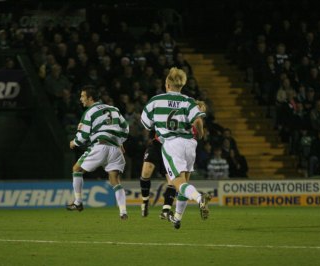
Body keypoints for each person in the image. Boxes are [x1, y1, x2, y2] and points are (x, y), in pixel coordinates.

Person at [140, 67, 211, 229]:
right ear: (181, 85)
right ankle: (177, 218)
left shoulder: (156, 101)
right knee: (185, 183)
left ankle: (200, 198)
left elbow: (146, 123)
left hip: (172, 144)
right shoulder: (188, 101)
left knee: (178, 183)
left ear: (167, 84)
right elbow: (198, 121)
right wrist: (200, 134)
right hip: (190, 144)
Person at [66, 86, 129, 220]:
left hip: (100, 146)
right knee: (115, 180)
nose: (81, 99)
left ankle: (78, 202)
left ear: (90, 98)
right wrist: (120, 141)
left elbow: (83, 135)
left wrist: (74, 142)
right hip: (116, 149)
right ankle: (123, 212)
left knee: (76, 169)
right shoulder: (114, 109)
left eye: (83, 96)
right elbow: (125, 128)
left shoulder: (90, 112)